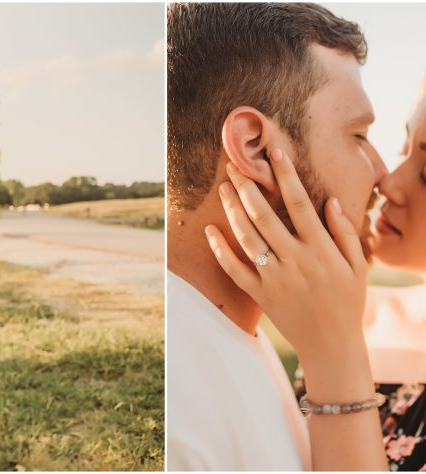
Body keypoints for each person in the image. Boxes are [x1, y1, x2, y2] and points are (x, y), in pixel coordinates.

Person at [226, 45, 426, 471]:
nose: (388, 181)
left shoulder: (338, 324)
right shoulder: (348, 306)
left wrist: (335, 359)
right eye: (405, 147)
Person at [166, 3, 389, 470]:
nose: (383, 175)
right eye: (360, 135)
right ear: (256, 148)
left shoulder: (236, 329)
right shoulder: (181, 410)